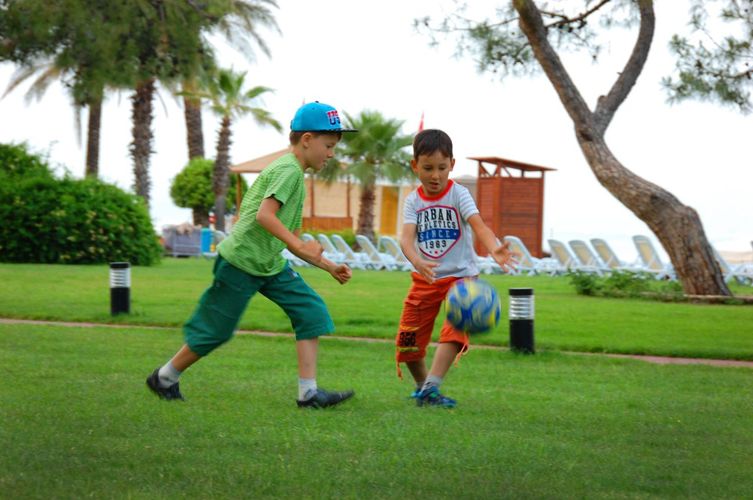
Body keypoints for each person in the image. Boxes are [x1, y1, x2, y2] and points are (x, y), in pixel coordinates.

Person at [146, 101, 357, 409]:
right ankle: (164, 377)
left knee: (310, 311)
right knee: (216, 331)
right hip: (241, 262)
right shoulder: (288, 171)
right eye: (328, 146)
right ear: (307, 139)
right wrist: (301, 247)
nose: (331, 153)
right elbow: (264, 216)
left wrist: (329, 266)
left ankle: (309, 394)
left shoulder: (295, 174)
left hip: (269, 264)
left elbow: (285, 234)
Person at [396, 129, 516, 408]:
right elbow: (406, 239)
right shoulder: (413, 201)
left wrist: (494, 247)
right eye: (428, 168)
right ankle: (424, 389)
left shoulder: (459, 194)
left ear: (452, 164)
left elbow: (479, 226)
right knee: (407, 340)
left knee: (454, 331)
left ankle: (432, 386)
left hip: (461, 281)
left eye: (442, 167)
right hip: (425, 279)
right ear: (415, 166)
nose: (435, 176)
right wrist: (417, 261)